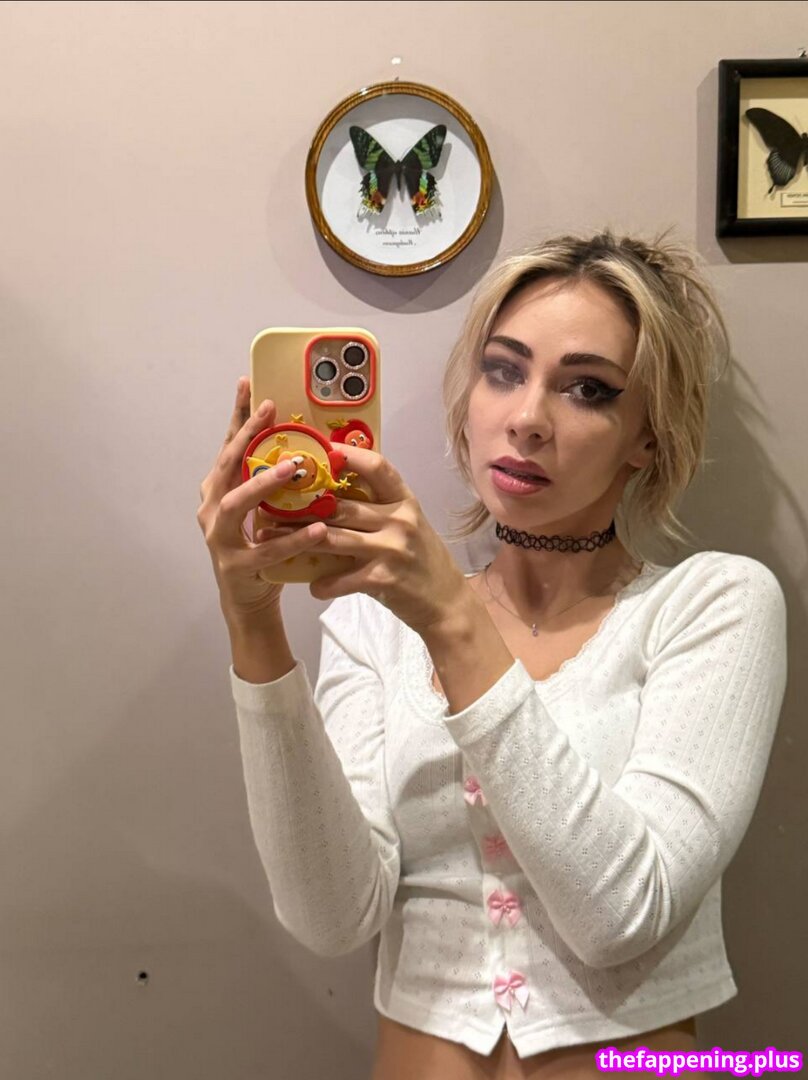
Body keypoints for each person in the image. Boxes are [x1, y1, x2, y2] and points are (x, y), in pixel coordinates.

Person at [197, 230, 788, 1080]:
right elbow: (333, 916)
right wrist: (253, 625)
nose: (526, 419)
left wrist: (448, 615)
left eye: (588, 389)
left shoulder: (712, 605)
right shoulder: (374, 621)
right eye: (503, 370)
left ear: (647, 439)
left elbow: (624, 914)